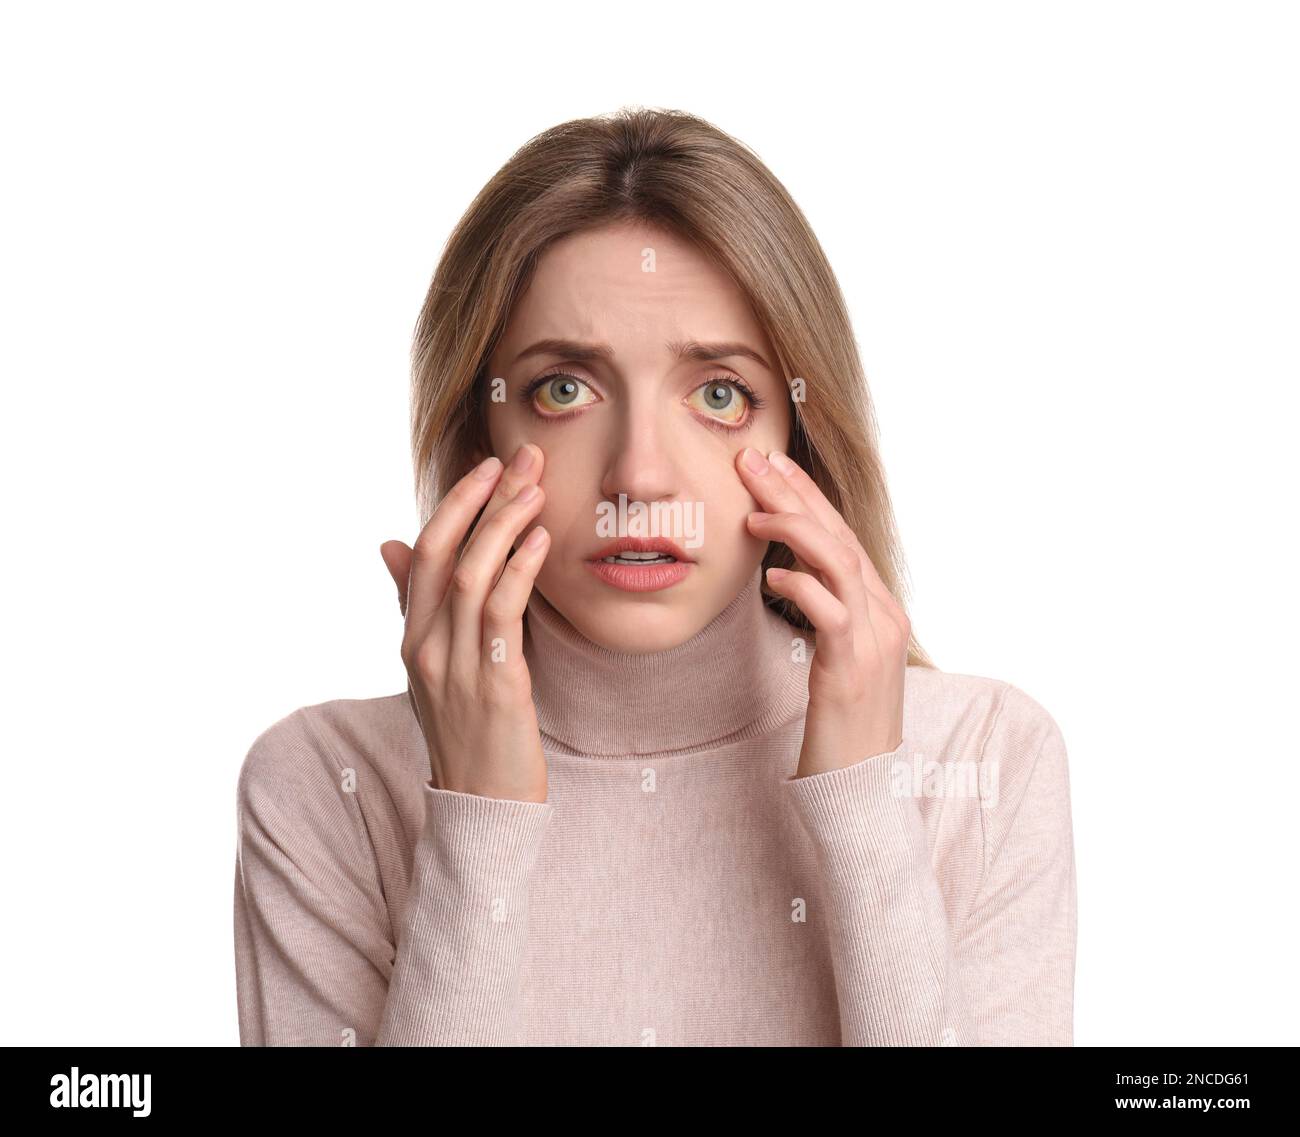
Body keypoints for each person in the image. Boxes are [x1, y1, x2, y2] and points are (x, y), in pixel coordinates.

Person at [233, 107, 1077, 1046]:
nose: (639, 477)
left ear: (798, 432)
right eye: (564, 389)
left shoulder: (989, 759)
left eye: (719, 394)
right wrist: (480, 817)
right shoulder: (323, 788)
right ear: (480, 437)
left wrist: (863, 807)